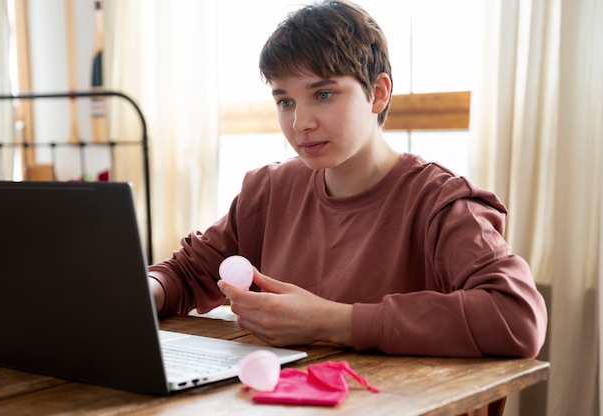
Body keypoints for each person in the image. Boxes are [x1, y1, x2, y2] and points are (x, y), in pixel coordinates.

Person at [148, 0, 547, 358]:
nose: (300, 123)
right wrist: (134, 295)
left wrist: (331, 321)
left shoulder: (442, 204)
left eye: (323, 94)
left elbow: (516, 316)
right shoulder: (268, 191)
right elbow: (184, 274)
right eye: (285, 101)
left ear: (378, 93)